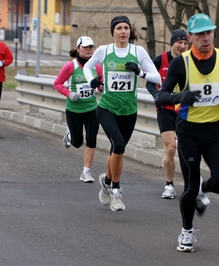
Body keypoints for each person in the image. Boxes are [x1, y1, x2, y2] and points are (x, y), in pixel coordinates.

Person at [157, 13, 219, 252]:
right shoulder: (180, 63)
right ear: (190, 37)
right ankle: (187, 232)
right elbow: (161, 96)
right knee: (190, 188)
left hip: (215, 131)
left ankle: (206, 189)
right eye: (200, 34)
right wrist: (181, 97)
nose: (205, 38)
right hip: (189, 132)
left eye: (209, 32)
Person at [83, 15, 161, 211]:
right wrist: (92, 80)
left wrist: (140, 73)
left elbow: (157, 76)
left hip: (129, 110)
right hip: (107, 107)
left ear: (130, 31)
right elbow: (87, 67)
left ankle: (107, 181)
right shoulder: (104, 50)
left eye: (126, 28)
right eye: (119, 28)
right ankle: (116, 191)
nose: (123, 31)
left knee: (116, 151)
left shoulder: (138, 51)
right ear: (113, 32)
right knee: (118, 145)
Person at [53, 36, 103, 183]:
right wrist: (69, 94)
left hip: (92, 108)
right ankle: (70, 136)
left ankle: (86, 172)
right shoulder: (71, 66)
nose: (88, 49)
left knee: (91, 139)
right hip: (74, 109)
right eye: (85, 47)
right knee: (77, 143)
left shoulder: (97, 66)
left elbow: (101, 86)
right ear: (78, 49)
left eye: (91, 47)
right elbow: (57, 84)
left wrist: (101, 86)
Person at [146, 29, 188, 199]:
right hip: (165, 109)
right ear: (172, 43)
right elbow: (149, 82)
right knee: (170, 149)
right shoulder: (160, 60)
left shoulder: (190, 61)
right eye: (179, 42)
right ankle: (169, 185)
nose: (182, 46)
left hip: (184, 110)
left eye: (185, 43)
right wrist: (156, 95)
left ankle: (192, 185)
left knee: (187, 149)